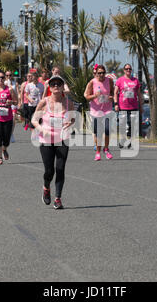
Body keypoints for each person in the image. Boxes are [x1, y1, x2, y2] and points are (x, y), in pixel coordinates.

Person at [32, 75, 75, 210]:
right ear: (49, 87)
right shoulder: (44, 102)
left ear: (63, 87)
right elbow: (34, 120)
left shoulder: (68, 103)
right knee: (49, 171)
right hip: (46, 140)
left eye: (59, 84)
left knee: (60, 169)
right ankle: (46, 187)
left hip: (62, 140)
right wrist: (42, 130)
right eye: (53, 84)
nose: (56, 86)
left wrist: (70, 122)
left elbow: (73, 119)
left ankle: (58, 198)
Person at [85, 65, 114, 160]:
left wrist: (111, 97)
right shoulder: (92, 82)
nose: (101, 75)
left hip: (107, 110)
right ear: (96, 73)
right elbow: (87, 96)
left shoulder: (109, 81)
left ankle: (106, 149)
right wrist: (95, 96)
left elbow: (113, 93)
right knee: (98, 133)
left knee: (107, 130)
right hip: (96, 111)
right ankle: (98, 152)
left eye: (103, 73)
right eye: (99, 73)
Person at [114, 63, 143, 149]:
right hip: (123, 106)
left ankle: (129, 140)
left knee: (131, 125)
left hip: (133, 106)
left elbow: (139, 94)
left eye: (130, 69)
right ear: (124, 70)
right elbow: (115, 93)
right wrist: (116, 104)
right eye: (126, 69)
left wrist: (141, 106)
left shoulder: (135, 81)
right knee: (123, 124)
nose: (128, 70)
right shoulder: (120, 80)